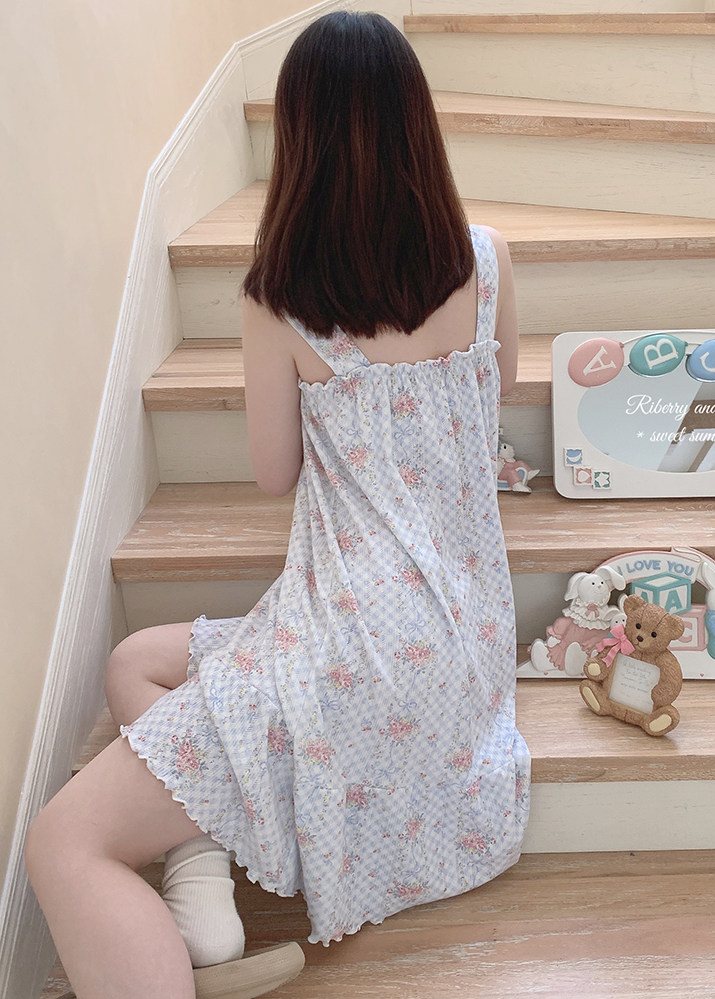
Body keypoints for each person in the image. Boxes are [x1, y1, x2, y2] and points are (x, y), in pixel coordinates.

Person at [25, 11, 530, 998]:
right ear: (418, 124)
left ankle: (189, 886)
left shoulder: (282, 298)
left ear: (297, 141)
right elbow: (495, 389)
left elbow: (272, 471)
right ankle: (200, 897)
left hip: (349, 643)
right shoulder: (488, 259)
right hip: (461, 635)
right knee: (137, 661)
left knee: (62, 843)